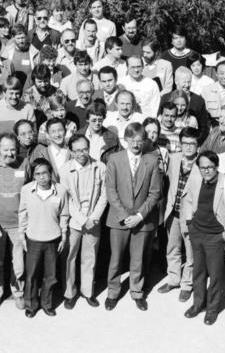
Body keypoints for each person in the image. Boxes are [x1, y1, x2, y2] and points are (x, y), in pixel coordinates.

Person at [181, 151, 225, 326]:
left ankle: (211, 308)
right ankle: (197, 303)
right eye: (203, 168)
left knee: (216, 274)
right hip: (197, 233)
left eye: (210, 167)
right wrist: (189, 221)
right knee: (198, 271)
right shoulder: (195, 180)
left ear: (217, 166)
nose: (206, 171)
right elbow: (187, 199)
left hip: (215, 237)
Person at [105, 122, 161, 312]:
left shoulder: (151, 160)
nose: (136, 144)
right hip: (118, 218)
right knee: (116, 258)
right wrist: (123, 214)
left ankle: (137, 292)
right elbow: (111, 190)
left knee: (138, 259)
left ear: (144, 141)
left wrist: (139, 216)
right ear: (126, 139)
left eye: (140, 140)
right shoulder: (114, 159)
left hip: (142, 219)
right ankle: (112, 292)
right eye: (133, 140)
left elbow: (155, 193)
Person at [0, 133, 31, 311]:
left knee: (18, 262)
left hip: (18, 224)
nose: (10, 154)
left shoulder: (24, 163)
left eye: (13, 150)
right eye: (6, 150)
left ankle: (18, 293)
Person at [60, 134, 108, 309]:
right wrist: (82, 219)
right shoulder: (65, 170)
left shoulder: (100, 167)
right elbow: (67, 199)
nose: (82, 153)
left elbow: (104, 195)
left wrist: (94, 218)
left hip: (93, 222)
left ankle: (87, 291)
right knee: (70, 257)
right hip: (75, 222)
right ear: (71, 152)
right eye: (77, 150)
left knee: (90, 257)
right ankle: (70, 293)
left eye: (85, 149)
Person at [19, 158, 69, 318]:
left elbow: (64, 214)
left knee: (51, 275)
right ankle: (31, 305)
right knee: (32, 275)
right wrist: (22, 234)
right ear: (33, 176)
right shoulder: (26, 190)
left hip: (53, 240)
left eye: (44, 173)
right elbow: (22, 213)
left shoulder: (60, 190)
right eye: (37, 174)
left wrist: (63, 236)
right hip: (33, 239)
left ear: (50, 174)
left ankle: (47, 304)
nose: (41, 177)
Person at [159, 127, 201, 302]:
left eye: (192, 144)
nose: (188, 147)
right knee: (172, 248)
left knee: (190, 253)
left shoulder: (202, 163)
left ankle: (187, 285)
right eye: (185, 143)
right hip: (173, 212)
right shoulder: (174, 159)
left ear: (198, 145)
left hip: (191, 216)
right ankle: (174, 278)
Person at [0, 76, 36, 154]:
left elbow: (34, 134)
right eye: (11, 93)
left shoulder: (27, 108)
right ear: (5, 92)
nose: (14, 97)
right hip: (3, 152)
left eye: (17, 93)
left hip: (24, 152)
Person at [159, 66, 211, 143]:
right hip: (166, 141)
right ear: (176, 81)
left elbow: (203, 129)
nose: (187, 85)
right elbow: (159, 119)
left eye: (189, 82)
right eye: (184, 82)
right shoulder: (166, 97)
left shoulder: (198, 100)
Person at [31, 118, 74, 182]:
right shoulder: (43, 154)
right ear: (47, 135)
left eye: (60, 130)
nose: (57, 135)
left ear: (65, 131)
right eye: (53, 131)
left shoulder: (73, 152)